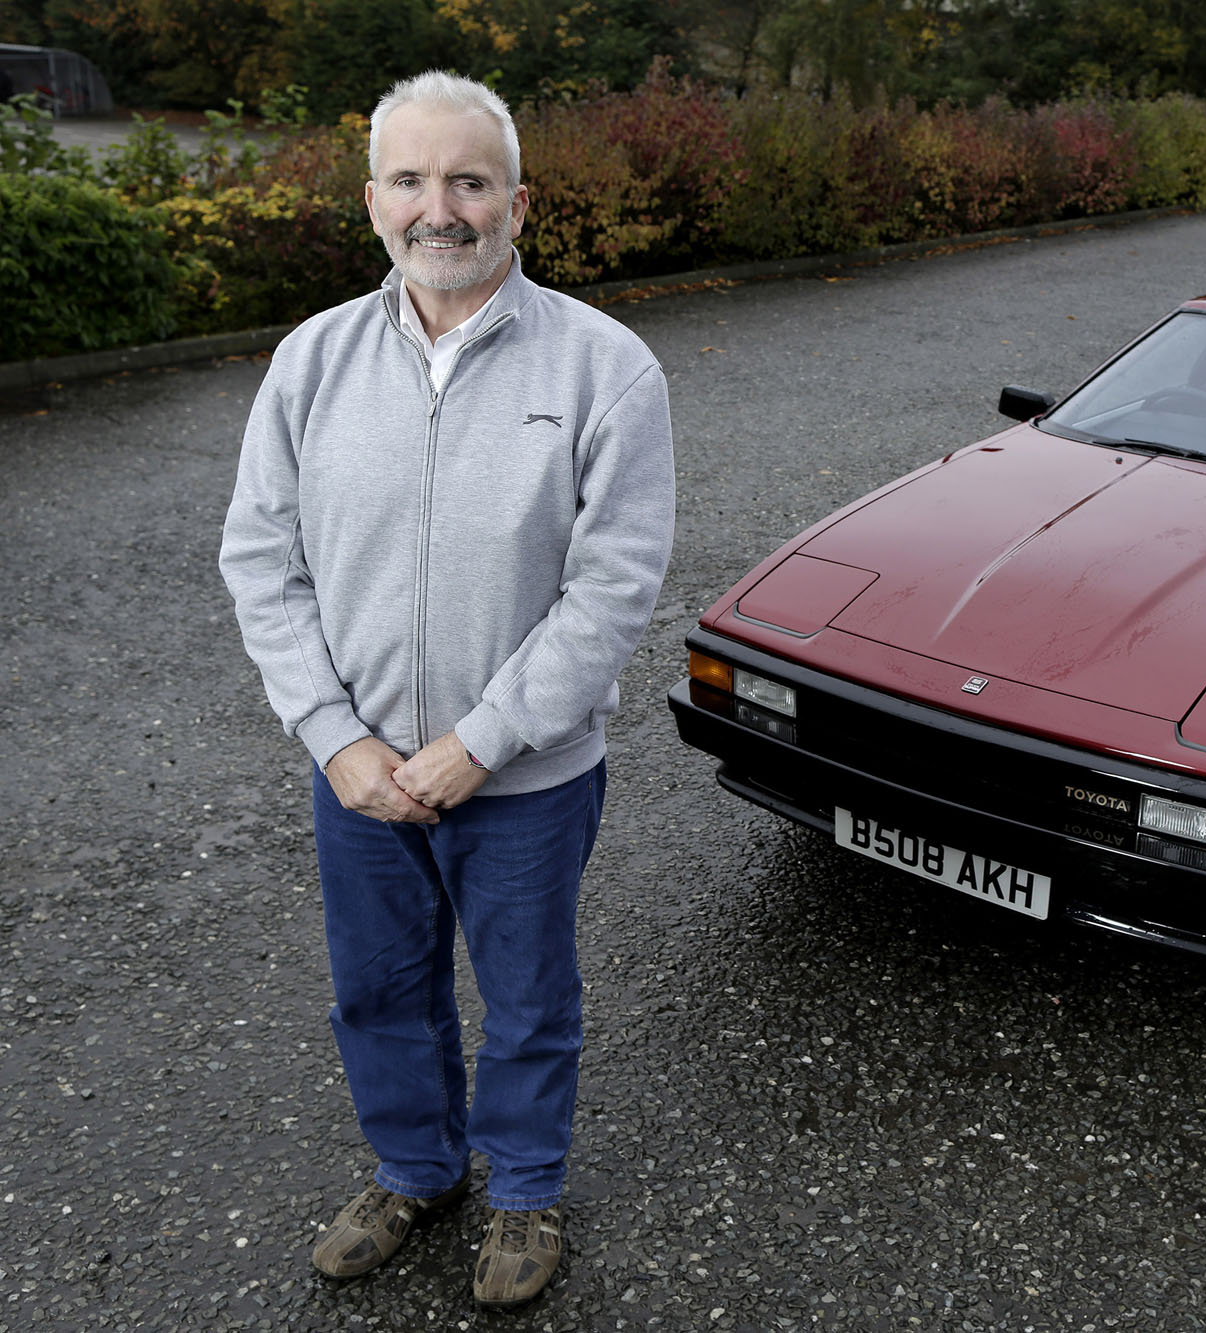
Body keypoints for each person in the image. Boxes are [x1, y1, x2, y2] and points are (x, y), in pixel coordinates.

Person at [218, 69, 675, 1309]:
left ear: (516, 201)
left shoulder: (605, 367)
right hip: (358, 772)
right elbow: (261, 558)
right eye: (412, 180)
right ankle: (414, 1168)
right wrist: (334, 737)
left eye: (469, 180)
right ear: (372, 201)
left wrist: (483, 739)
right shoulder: (312, 362)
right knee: (378, 985)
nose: (442, 207)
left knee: (528, 998)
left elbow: (615, 585)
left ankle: (523, 1189)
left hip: (525, 778)